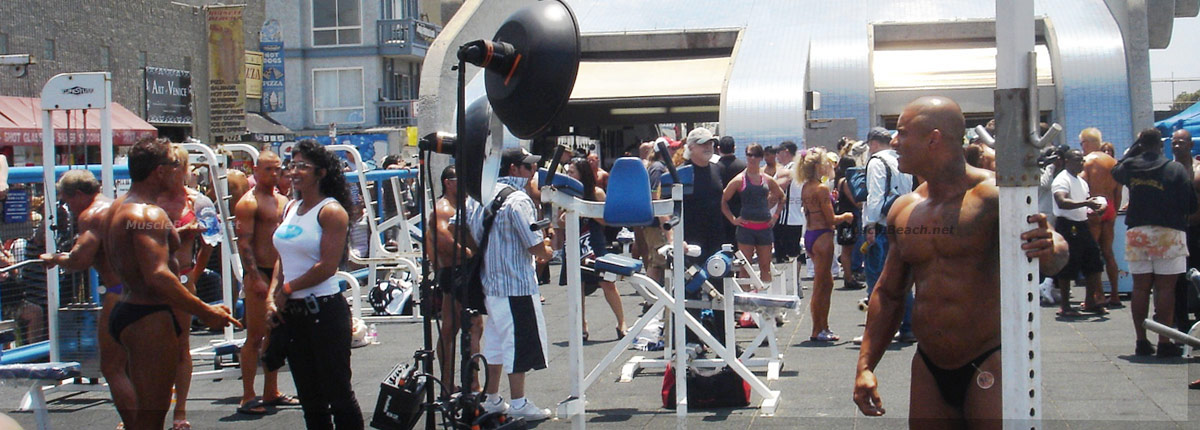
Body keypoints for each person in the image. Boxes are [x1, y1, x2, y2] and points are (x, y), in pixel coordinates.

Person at [853, 96, 1068, 428]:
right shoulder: (905, 209)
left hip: (989, 358)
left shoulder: (995, 196)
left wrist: (1050, 247)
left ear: (933, 139)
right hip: (929, 363)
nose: (894, 141)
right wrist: (866, 366)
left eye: (902, 132)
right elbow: (889, 293)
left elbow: (1055, 252)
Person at [104, 138, 241, 430]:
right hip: (148, 316)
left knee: (144, 414)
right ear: (159, 171)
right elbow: (158, 275)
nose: (181, 170)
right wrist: (205, 310)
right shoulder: (148, 214)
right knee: (152, 416)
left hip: (128, 307)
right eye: (175, 164)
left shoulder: (118, 207)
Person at [264, 139, 363, 428]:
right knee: (310, 398)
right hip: (293, 314)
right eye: (291, 165)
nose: (293, 171)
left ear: (321, 173)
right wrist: (273, 295)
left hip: (324, 312)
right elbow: (282, 257)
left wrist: (287, 290)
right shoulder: (291, 207)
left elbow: (327, 267)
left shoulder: (331, 211)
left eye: (302, 166)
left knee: (338, 394)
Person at [464, 147, 554, 421]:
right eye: (528, 167)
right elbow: (535, 246)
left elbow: (466, 232)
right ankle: (519, 402)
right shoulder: (518, 200)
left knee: (496, 343)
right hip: (516, 285)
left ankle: (492, 397)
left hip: (490, 284)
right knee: (518, 344)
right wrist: (548, 251)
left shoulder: (480, 196)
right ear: (513, 169)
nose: (533, 171)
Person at [39, 170, 134, 426]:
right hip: (146, 293)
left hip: (119, 294)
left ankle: (135, 425)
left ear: (79, 195)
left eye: (68, 201)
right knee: (137, 366)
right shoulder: (122, 205)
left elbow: (78, 261)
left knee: (112, 368)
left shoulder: (91, 215)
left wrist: (54, 258)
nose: (68, 208)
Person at [1112, 128, 1198, 358]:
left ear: (1141, 145)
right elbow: (1191, 205)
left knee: (1140, 288)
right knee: (1165, 288)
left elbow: (1116, 170)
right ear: (1162, 146)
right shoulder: (1175, 169)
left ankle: (1141, 341)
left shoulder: (1131, 167)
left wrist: (1133, 149)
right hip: (1169, 232)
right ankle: (1164, 340)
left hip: (1138, 231)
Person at [155, 145, 220, 430]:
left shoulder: (198, 202)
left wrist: (193, 276)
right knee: (146, 348)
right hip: (151, 281)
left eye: (173, 165)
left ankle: (179, 411)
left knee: (181, 347)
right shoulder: (148, 201)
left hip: (181, 278)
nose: (167, 171)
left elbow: (210, 243)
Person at [233, 151, 299, 415]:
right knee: (255, 337)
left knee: (276, 336)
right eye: (268, 169)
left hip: (280, 273)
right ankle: (248, 395)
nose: (274, 174)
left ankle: (271, 391)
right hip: (259, 273)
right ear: (256, 169)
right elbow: (244, 244)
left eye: (277, 169)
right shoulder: (248, 203)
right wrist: (255, 278)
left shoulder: (284, 201)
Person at [429, 165, 484, 394]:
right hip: (455, 271)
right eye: (458, 179)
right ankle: (469, 383)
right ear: (448, 183)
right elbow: (442, 239)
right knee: (471, 325)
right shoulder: (443, 208)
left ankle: (449, 383)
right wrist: (469, 252)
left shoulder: (465, 206)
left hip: (463, 270)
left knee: (453, 327)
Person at [860, 126, 915, 343]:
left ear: (873, 143)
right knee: (902, 279)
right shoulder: (901, 161)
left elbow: (874, 197)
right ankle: (908, 326)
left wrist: (870, 225)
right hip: (903, 222)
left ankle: (878, 330)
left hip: (882, 227)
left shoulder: (877, 162)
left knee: (878, 282)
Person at [562, 157, 628, 339]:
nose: (569, 176)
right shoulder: (567, 193)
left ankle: (621, 322)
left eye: (572, 172)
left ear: (582, 173)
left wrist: (585, 210)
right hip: (575, 242)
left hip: (594, 242)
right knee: (578, 287)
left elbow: (607, 220)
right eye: (568, 173)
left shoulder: (596, 192)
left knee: (607, 282)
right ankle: (581, 325)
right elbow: (560, 221)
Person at [797, 147, 853, 341]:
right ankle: (818, 328)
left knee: (825, 283)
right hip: (823, 236)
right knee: (821, 286)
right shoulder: (821, 189)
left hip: (812, 234)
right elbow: (831, 219)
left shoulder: (806, 187)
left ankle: (822, 327)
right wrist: (846, 216)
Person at [1052, 149, 1109, 316]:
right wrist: (1086, 203)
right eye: (1077, 160)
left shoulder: (1081, 182)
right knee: (1068, 264)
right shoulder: (1062, 179)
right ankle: (1065, 305)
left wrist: (1095, 208)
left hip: (1082, 224)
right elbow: (1061, 202)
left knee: (1094, 261)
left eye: (1082, 160)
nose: (1081, 163)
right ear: (1066, 161)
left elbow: (1085, 203)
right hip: (1067, 225)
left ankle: (1091, 300)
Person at [722, 143, 784, 285]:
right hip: (746, 228)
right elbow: (723, 200)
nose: (752, 158)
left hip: (764, 228)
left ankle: (766, 300)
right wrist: (732, 219)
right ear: (746, 156)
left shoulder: (767, 179)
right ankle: (745, 304)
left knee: (765, 267)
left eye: (756, 155)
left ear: (761, 158)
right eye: (750, 155)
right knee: (745, 268)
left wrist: (775, 216)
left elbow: (781, 197)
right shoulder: (740, 179)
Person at [1080, 128, 1124, 307]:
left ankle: (1096, 295)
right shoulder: (1113, 162)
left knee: (1091, 254)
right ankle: (1114, 294)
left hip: (1094, 208)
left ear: (1088, 143)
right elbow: (1118, 192)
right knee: (1108, 252)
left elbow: (1083, 188)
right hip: (1110, 207)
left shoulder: (1088, 161)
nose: (1081, 147)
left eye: (1082, 143)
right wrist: (1114, 210)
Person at [1172, 129, 1200, 335]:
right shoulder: (1169, 170)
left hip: (1197, 231)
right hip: (1176, 231)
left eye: (1182, 142)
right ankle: (1180, 321)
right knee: (1178, 278)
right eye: (1174, 142)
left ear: (1191, 145)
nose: (1177, 145)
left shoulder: (1198, 169)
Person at [773, 141, 807, 282]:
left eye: (778, 152)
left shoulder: (789, 170)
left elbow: (775, 192)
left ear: (785, 152)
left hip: (786, 219)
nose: (776, 156)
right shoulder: (799, 168)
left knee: (785, 255)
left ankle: (790, 284)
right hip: (797, 217)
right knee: (794, 253)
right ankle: (794, 283)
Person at [835, 144, 865, 289]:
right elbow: (855, 201)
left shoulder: (839, 180)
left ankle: (850, 276)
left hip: (847, 217)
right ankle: (849, 278)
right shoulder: (845, 182)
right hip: (848, 218)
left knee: (849, 248)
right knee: (847, 249)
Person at [716, 135, 747, 247]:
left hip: (721, 211)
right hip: (741, 210)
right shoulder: (743, 166)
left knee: (724, 245)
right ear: (734, 148)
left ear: (719, 149)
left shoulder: (715, 167)